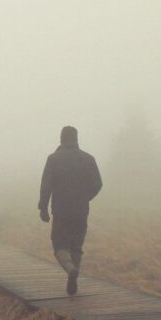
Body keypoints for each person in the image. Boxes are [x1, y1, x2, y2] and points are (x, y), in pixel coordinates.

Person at [38, 126, 102, 295]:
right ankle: (73, 273)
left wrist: (43, 208)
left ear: (61, 139)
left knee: (59, 244)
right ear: (76, 139)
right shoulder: (89, 159)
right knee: (76, 245)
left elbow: (46, 186)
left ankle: (69, 268)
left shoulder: (53, 159)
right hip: (81, 210)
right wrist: (85, 198)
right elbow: (98, 184)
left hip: (61, 209)